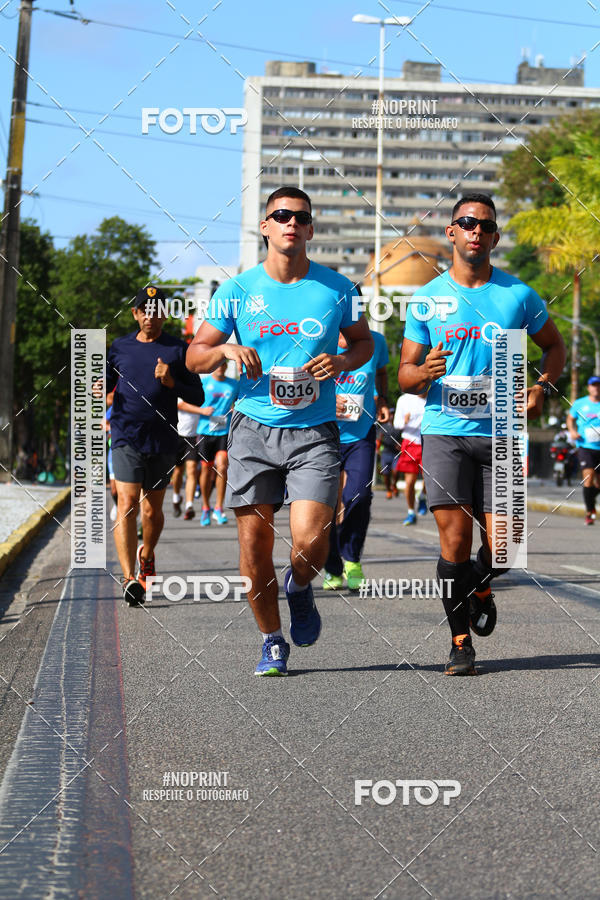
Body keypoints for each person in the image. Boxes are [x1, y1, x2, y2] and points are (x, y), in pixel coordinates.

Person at [186, 186, 373, 675]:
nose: (292, 223)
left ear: (310, 229)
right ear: (265, 226)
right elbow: (194, 356)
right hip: (252, 428)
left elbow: (364, 344)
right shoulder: (236, 290)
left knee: (310, 544)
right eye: (282, 215)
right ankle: (271, 640)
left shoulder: (339, 289)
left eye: (301, 217)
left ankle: (300, 584)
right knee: (253, 545)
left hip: (314, 431)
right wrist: (225, 350)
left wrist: (343, 360)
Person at [398, 193, 565, 675]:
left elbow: (554, 348)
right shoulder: (428, 298)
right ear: (451, 232)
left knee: (506, 548)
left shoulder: (518, 295)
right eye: (468, 223)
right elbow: (405, 374)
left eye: (486, 226)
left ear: (494, 237)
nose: (476, 231)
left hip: (504, 431)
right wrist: (422, 372)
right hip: (446, 432)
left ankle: (479, 585)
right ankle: (460, 644)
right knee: (454, 542)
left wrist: (541, 387)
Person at [107, 285, 205, 606]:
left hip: (162, 440)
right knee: (127, 503)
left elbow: (198, 396)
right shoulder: (119, 347)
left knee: (151, 510)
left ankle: (147, 554)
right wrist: (97, 387)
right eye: (144, 311)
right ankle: (129, 578)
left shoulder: (179, 350)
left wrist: (172, 382)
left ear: (164, 314)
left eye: (156, 311)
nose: (149, 316)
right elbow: (106, 383)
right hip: (125, 435)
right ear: (135, 314)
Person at [322, 329, 390, 591]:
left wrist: (382, 399)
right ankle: (332, 567)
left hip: (361, 433)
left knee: (359, 496)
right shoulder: (320, 339)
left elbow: (381, 373)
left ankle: (351, 559)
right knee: (322, 504)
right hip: (321, 433)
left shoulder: (375, 341)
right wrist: (328, 403)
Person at [195, 361, 239, 526]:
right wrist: (201, 410)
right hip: (205, 432)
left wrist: (236, 408)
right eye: (217, 365)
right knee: (206, 470)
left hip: (224, 432)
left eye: (223, 365)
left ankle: (219, 507)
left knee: (222, 466)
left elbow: (240, 401)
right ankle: (206, 506)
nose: (220, 367)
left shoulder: (233, 384)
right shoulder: (204, 383)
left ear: (226, 366)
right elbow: (186, 402)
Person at [567, 375, 600, 525]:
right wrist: (572, 431)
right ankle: (589, 512)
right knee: (588, 478)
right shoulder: (580, 403)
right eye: (593, 385)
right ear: (588, 388)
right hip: (586, 446)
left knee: (597, 484)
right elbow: (570, 419)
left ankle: (591, 502)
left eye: (598, 385)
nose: (596, 388)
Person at [393, 392, 427, 525]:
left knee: (429, 478)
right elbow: (396, 424)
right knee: (410, 482)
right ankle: (411, 512)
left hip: (429, 441)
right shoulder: (404, 399)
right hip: (410, 442)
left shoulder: (434, 396)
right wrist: (405, 421)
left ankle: (422, 496)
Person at [172, 399, 203, 521]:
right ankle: (176, 497)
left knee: (192, 470)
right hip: (177, 435)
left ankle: (189, 505)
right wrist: (202, 411)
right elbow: (180, 405)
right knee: (178, 471)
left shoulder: (199, 390)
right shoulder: (179, 390)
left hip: (193, 437)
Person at [378, 415, 402, 499]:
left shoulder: (399, 427)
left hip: (396, 454)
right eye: (391, 414)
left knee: (396, 471)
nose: (392, 416)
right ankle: (388, 490)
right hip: (385, 453)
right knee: (386, 473)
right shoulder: (383, 427)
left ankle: (394, 485)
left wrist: (401, 445)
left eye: (394, 413)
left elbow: (403, 438)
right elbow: (379, 439)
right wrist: (377, 449)